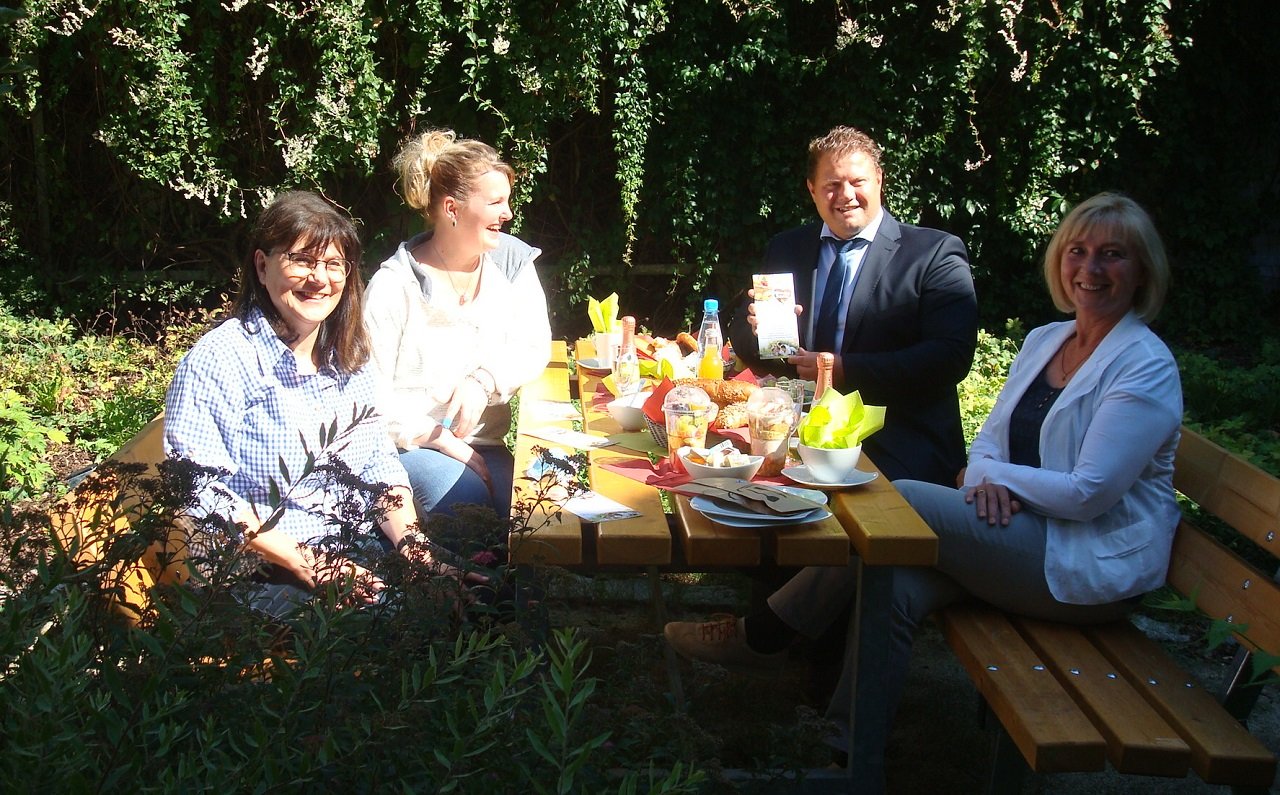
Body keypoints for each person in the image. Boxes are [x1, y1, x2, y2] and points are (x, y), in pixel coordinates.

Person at [670, 192, 1183, 790]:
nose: (1091, 268)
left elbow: (1088, 493)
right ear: (1060, 261)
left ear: (1142, 270)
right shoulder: (1048, 339)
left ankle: (765, 635)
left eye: (1112, 255)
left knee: (901, 501)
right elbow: (990, 439)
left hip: (1083, 564)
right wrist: (987, 474)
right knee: (893, 584)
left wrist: (996, 479)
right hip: (1015, 535)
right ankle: (850, 760)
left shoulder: (1143, 365)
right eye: (1079, 251)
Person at [164, 191, 451, 615]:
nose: (319, 278)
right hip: (260, 570)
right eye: (301, 260)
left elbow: (378, 464)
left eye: (333, 264)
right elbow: (199, 490)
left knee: (475, 595)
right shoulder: (221, 359)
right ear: (262, 266)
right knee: (406, 623)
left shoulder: (348, 357)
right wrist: (314, 563)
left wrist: (414, 549)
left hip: (351, 543)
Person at [730, 125, 978, 486]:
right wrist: (758, 331)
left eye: (857, 182)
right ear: (812, 189)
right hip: (797, 438)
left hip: (898, 444)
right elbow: (743, 337)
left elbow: (950, 357)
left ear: (879, 180)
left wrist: (844, 369)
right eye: (831, 184)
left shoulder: (933, 253)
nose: (845, 195)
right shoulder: (787, 248)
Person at [364, 129, 551, 523]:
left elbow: (534, 346)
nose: (508, 214)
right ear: (452, 208)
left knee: (539, 511)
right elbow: (369, 401)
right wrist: (438, 438)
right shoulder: (393, 286)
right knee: (469, 509)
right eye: (496, 202)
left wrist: (483, 379)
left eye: (507, 201)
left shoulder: (511, 262)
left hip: (485, 445)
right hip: (410, 446)